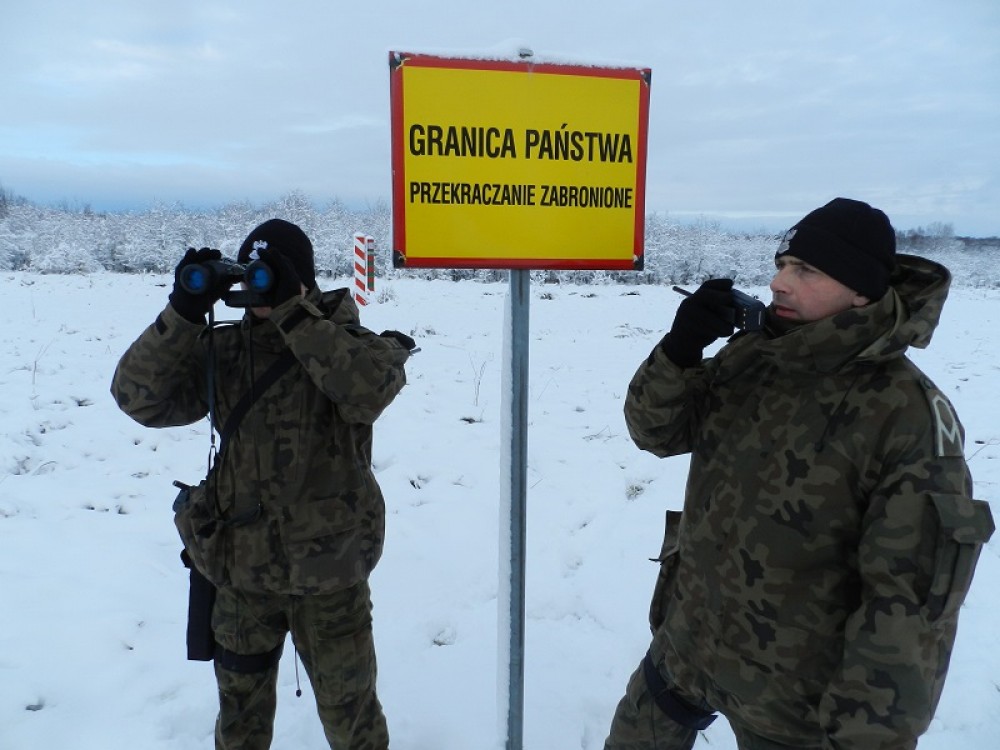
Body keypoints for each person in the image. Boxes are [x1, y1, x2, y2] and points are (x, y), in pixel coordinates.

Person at [604, 198, 994, 750]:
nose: (779, 282)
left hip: (791, 700)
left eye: (805, 270)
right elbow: (656, 432)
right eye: (782, 264)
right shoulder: (753, 358)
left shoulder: (904, 415)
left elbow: (905, 610)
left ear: (860, 292)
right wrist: (680, 349)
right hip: (687, 645)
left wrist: (860, 738)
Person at [111, 218, 415, 750]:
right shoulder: (227, 352)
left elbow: (366, 391)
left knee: (352, 720)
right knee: (240, 719)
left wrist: (294, 312)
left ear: (303, 282)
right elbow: (138, 398)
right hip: (242, 573)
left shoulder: (353, 345)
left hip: (330, 577)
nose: (257, 293)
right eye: (250, 278)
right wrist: (183, 312)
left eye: (269, 278)